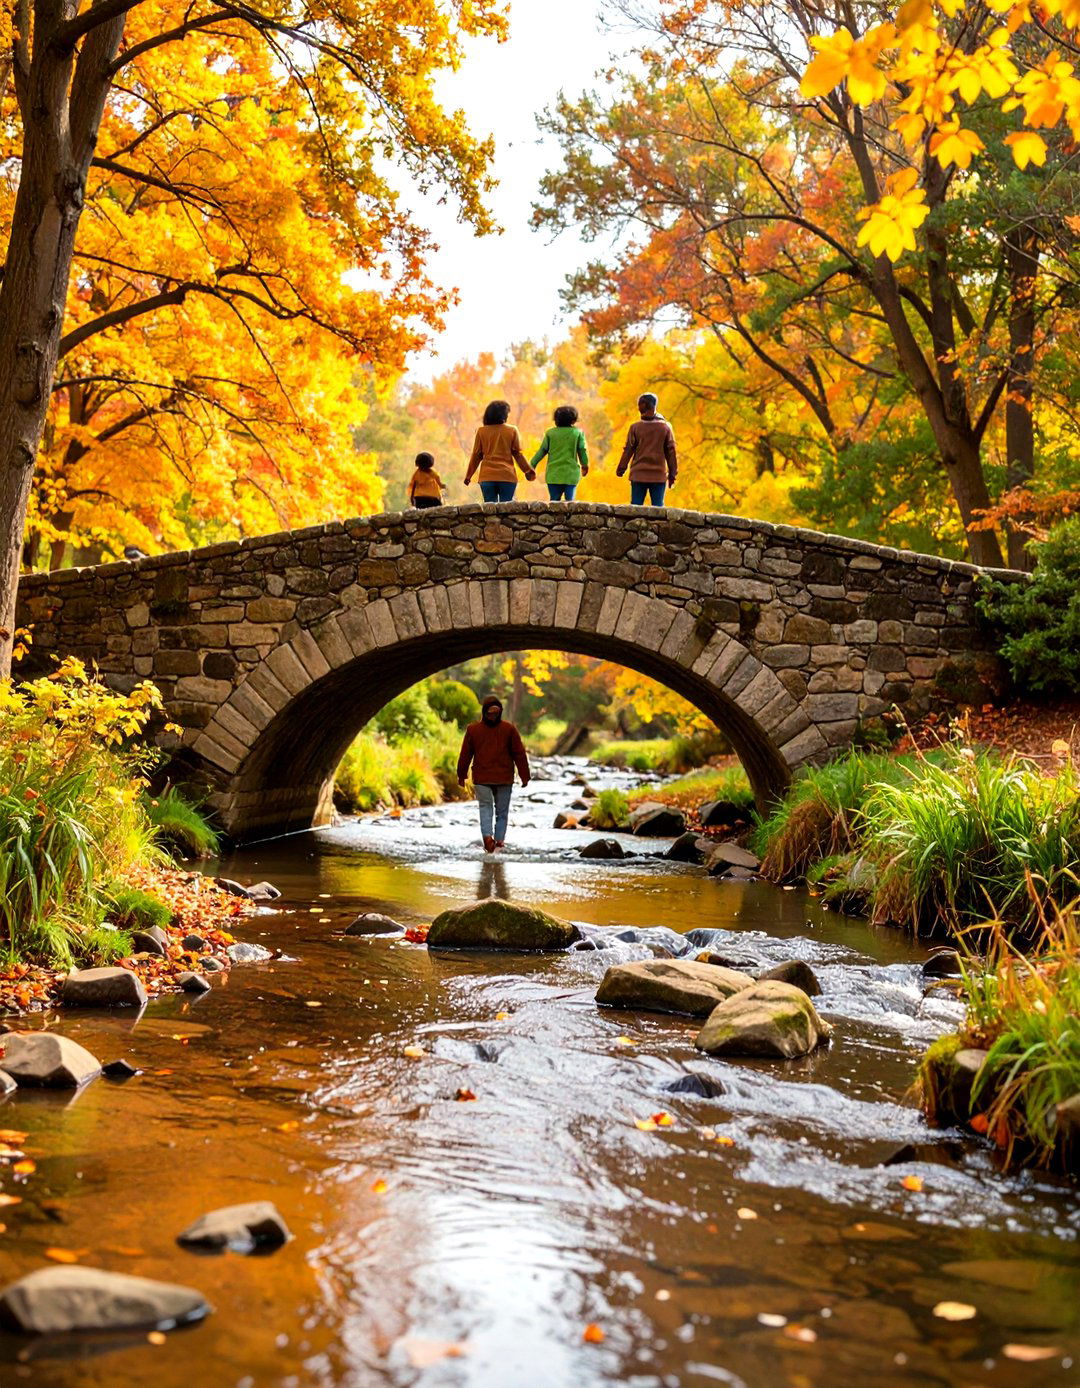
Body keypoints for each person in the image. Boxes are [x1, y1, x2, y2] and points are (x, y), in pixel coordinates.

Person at [457, 695, 530, 852]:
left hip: (485, 777)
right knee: (501, 812)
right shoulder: (508, 729)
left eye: (495, 713)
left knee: (487, 808)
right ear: (484, 712)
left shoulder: (474, 730)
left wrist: (461, 775)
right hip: (501, 777)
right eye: (491, 713)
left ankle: (489, 838)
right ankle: (497, 842)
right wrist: (524, 775)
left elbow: (519, 754)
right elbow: (519, 754)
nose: (493, 716)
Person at [464, 400, 536, 502]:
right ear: (502, 414)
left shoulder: (481, 431)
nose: (507, 416)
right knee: (506, 509)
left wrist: (468, 476)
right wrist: (528, 470)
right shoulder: (512, 430)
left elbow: (476, 456)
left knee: (490, 510)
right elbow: (517, 455)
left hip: (487, 477)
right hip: (507, 476)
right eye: (507, 413)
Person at [616, 392, 678, 506]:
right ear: (655, 406)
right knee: (658, 509)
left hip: (638, 474)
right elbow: (671, 452)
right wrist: (672, 474)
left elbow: (628, 449)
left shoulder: (635, 427)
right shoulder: (665, 427)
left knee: (635, 508)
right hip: (658, 476)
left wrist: (621, 468)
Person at [530, 404, 589, 501]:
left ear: (556, 420)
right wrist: (585, 465)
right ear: (573, 421)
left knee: (554, 501)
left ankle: (554, 516)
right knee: (570, 502)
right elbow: (582, 450)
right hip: (571, 474)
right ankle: (569, 516)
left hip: (554, 474)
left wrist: (532, 465)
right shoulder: (577, 433)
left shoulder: (550, 433)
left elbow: (542, 451)